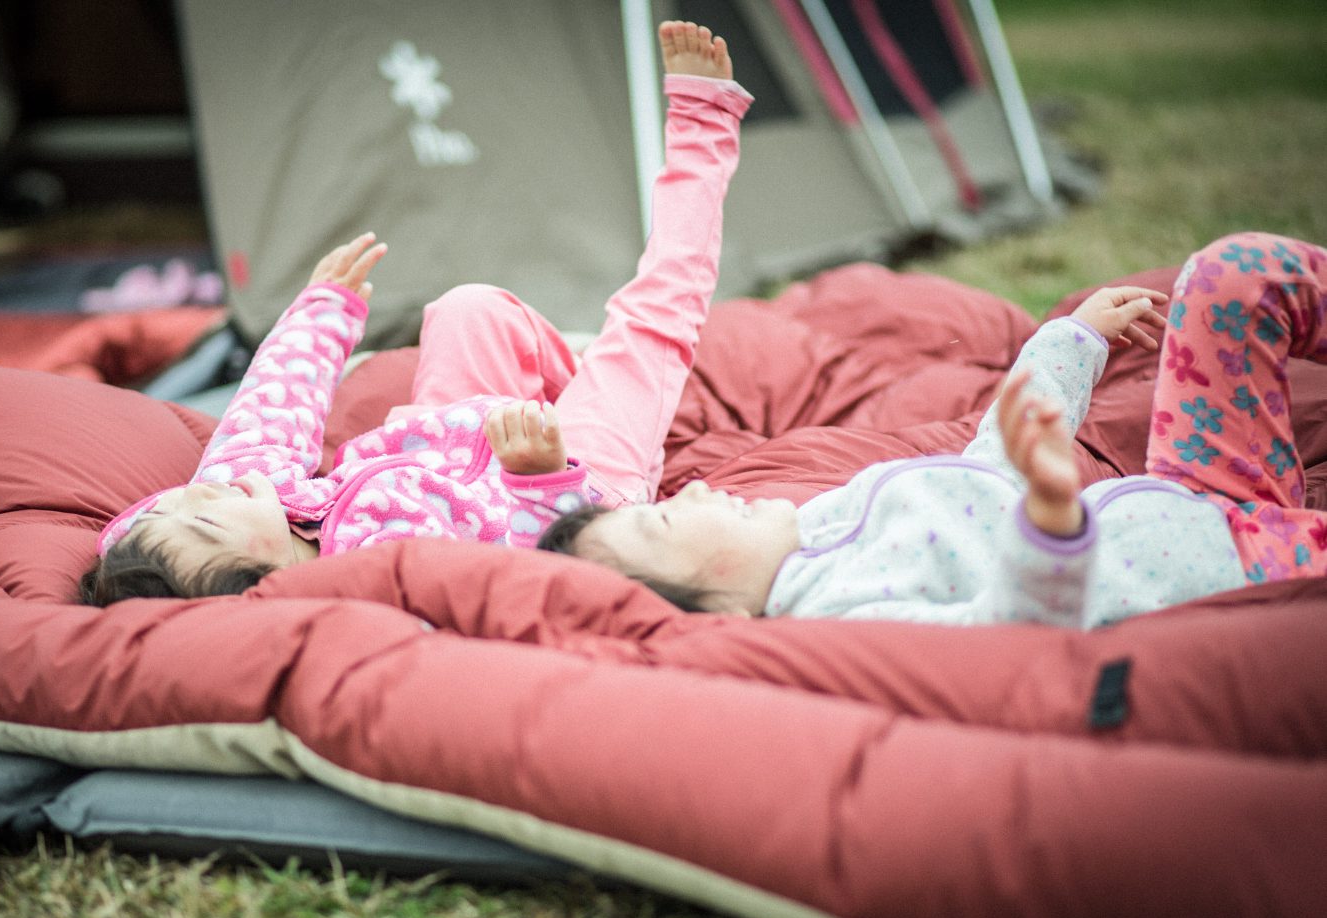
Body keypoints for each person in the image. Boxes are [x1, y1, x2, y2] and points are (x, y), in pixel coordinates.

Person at [79, 21, 753, 606]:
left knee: (469, 309)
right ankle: (703, 134)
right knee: (647, 323)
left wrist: (321, 313)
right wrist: (544, 475)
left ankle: (590, 387)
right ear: (260, 582)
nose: (199, 495)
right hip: (568, 494)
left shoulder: (255, 495)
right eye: (205, 523)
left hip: (456, 433)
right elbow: (527, 559)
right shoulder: (379, 573)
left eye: (173, 503)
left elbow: (266, 414)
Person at [539, 232, 1327, 629]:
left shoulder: (824, 520)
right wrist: (1050, 529)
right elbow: (1012, 636)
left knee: (1234, 275)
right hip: (1246, 564)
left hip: (1202, 490)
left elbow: (989, 470)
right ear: (721, 617)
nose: (701, 485)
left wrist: (1070, 345)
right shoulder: (847, 612)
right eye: (670, 515)